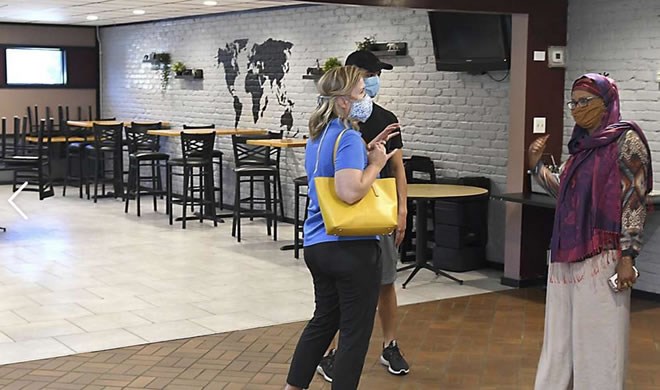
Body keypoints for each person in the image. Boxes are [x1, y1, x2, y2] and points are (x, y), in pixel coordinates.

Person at [529, 73, 652, 390]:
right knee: (560, 340)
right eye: (573, 102)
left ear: (607, 102)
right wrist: (536, 168)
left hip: (603, 254)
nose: (577, 109)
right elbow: (567, 197)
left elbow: (634, 200)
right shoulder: (582, 147)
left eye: (586, 101)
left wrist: (628, 255)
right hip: (566, 252)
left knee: (599, 339)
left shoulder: (627, 141)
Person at [284, 65, 399, 390]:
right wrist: (376, 164)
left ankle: (293, 386)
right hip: (350, 249)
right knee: (354, 332)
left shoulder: (319, 137)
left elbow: (332, 177)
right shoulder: (347, 136)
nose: (368, 98)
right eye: (362, 92)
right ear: (344, 102)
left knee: (323, 322)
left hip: (319, 244)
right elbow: (349, 192)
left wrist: (364, 151)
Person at [316, 50, 410, 383]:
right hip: (343, 215)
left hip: (378, 210)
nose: (374, 81)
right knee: (340, 294)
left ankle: (390, 344)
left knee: (386, 281)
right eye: (370, 74)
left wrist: (402, 209)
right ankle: (329, 353)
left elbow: (398, 167)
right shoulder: (330, 122)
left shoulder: (384, 116)